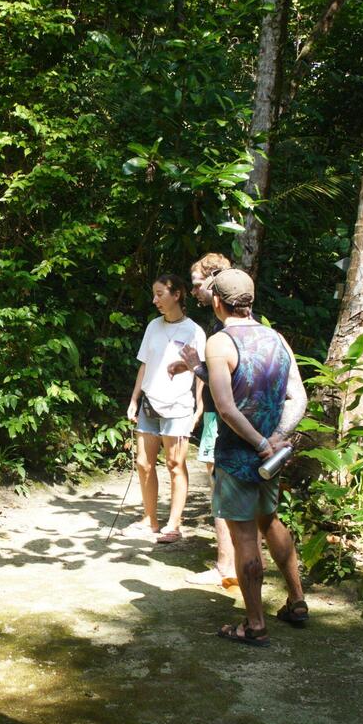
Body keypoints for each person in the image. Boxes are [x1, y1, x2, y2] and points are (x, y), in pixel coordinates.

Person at [175, 268, 309, 644]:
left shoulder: (220, 342)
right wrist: (277, 438)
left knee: (244, 536)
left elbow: (227, 406)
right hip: (270, 458)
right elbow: (298, 397)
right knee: (270, 521)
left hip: (239, 456)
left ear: (217, 301)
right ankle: (297, 599)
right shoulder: (276, 338)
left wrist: (260, 445)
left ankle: (254, 624)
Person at [125, 274, 205, 543]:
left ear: (177, 295)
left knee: (174, 463)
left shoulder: (194, 331)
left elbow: (201, 372)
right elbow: (144, 364)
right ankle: (150, 520)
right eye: (154, 294)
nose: (155, 300)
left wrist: (199, 408)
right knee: (143, 463)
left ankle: (174, 524)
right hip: (150, 402)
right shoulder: (153, 327)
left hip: (179, 406)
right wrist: (134, 399)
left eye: (160, 294)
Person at [182, 253, 238, 587]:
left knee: (220, 490)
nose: (195, 292)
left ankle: (225, 567)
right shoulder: (246, 322)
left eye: (197, 284)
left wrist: (193, 365)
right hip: (228, 418)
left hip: (223, 419)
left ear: (215, 281)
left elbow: (223, 378)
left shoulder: (223, 328)